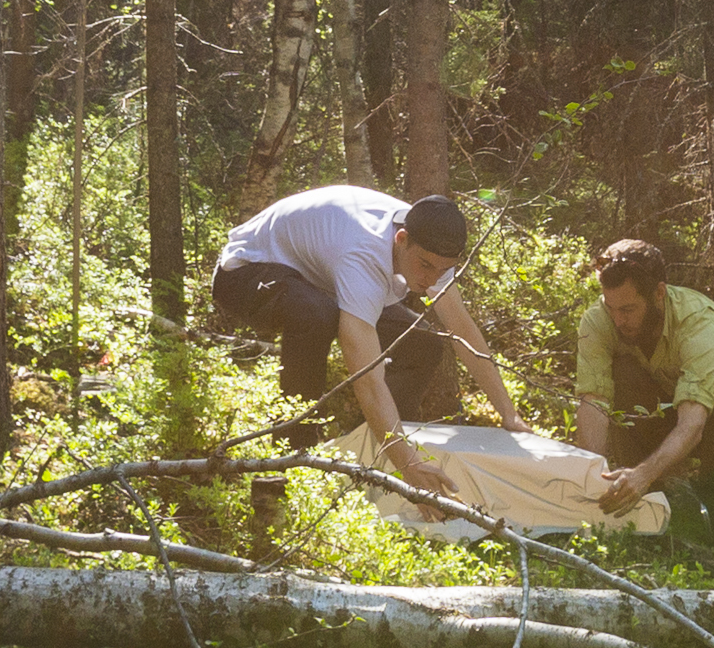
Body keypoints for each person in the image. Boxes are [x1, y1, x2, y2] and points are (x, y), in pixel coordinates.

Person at [208, 184, 518, 508]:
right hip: (244, 272)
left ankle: (367, 451)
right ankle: (292, 460)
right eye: (425, 266)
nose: (431, 279)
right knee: (317, 316)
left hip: (316, 279)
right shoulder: (362, 254)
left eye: (442, 269)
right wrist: (410, 467)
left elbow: (463, 329)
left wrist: (509, 414)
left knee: (423, 345)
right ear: (401, 240)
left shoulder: (430, 245)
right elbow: (367, 379)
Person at [573, 239, 714, 530]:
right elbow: (594, 401)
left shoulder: (697, 320)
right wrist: (590, 473)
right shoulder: (598, 320)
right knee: (622, 373)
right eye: (612, 308)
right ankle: (642, 497)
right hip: (661, 412)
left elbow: (694, 420)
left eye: (629, 309)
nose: (618, 319)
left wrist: (644, 473)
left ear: (659, 293)